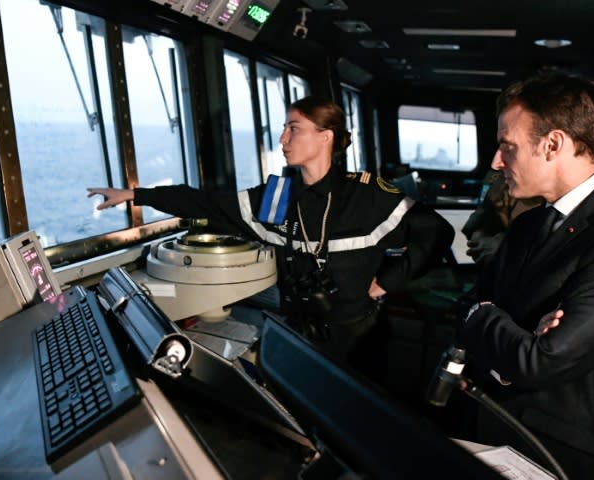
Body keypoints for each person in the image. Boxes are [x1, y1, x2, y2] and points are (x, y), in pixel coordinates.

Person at [88, 96, 454, 370]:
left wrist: (386, 281)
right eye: (283, 128)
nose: (282, 138)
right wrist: (137, 195)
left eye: (294, 128)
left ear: (326, 137)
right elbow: (206, 204)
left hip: (357, 339)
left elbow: (436, 232)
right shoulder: (278, 197)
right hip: (297, 332)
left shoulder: (367, 196)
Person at [455, 72, 594, 479]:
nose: (496, 162)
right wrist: (506, 328)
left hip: (550, 451)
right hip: (486, 424)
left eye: (507, 147)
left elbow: (538, 361)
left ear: (553, 144)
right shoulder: (527, 225)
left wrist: (482, 319)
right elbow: (474, 301)